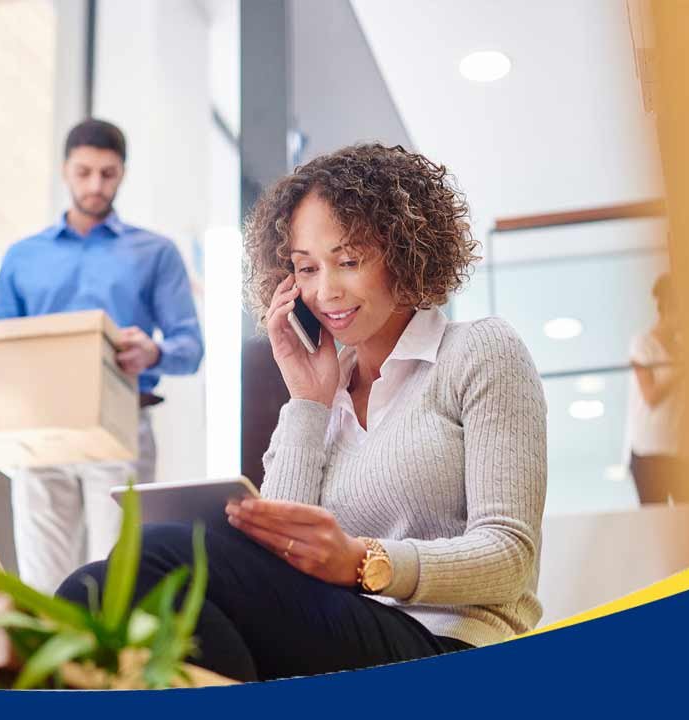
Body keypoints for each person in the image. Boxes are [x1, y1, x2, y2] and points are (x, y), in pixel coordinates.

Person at [56, 143, 548, 682]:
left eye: (349, 261)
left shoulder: (479, 351)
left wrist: (365, 562)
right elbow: (276, 559)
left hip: (450, 643)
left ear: (406, 250)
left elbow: (510, 556)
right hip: (338, 638)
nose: (326, 292)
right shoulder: (322, 395)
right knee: (89, 587)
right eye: (306, 269)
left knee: (160, 552)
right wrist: (308, 401)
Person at [0, 119, 203, 592]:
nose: (95, 185)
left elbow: (190, 349)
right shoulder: (23, 257)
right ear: (65, 171)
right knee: (45, 585)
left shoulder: (156, 252)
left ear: (122, 173)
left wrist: (153, 351)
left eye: (107, 173)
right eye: (83, 172)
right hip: (41, 433)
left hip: (121, 427)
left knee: (117, 579)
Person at [626, 272, 688, 504]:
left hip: (681, 450)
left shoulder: (683, 348)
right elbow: (650, 395)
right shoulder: (642, 344)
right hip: (649, 452)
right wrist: (682, 369)